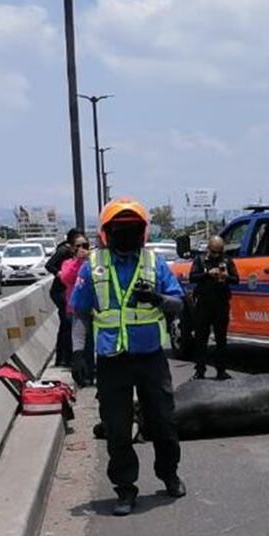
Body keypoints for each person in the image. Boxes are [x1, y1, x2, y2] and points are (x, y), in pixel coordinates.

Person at [69, 198, 186, 516]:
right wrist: (78, 354)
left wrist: (158, 298)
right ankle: (125, 489)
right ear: (106, 233)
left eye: (132, 229)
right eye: (119, 230)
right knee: (117, 429)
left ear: (143, 232)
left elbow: (179, 303)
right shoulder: (92, 266)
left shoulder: (155, 263)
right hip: (112, 360)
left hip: (150, 357)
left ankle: (169, 475)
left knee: (163, 422)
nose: (126, 235)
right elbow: (80, 314)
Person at [190, 235, 239, 380]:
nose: (217, 255)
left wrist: (225, 276)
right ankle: (200, 370)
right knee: (201, 339)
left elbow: (236, 279)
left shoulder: (227, 261)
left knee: (221, 339)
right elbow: (192, 277)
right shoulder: (200, 260)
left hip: (221, 303)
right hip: (204, 303)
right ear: (208, 249)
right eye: (214, 252)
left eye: (219, 252)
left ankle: (221, 370)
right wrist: (207, 274)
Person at [59, 233, 94, 386]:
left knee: (92, 343)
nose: (81, 249)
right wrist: (79, 262)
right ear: (72, 248)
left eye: (85, 246)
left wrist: (89, 260)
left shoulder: (95, 262)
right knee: (81, 343)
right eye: (78, 246)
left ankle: (92, 371)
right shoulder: (68, 263)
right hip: (76, 309)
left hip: (94, 309)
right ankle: (82, 373)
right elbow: (66, 278)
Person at [46, 228, 82, 367]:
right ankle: (64, 358)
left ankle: (63, 357)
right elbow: (49, 265)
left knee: (66, 325)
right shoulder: (64, 251)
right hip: (60, 291)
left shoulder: (73, 252)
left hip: (66, 290)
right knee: (67, 324)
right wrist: (60, 273)